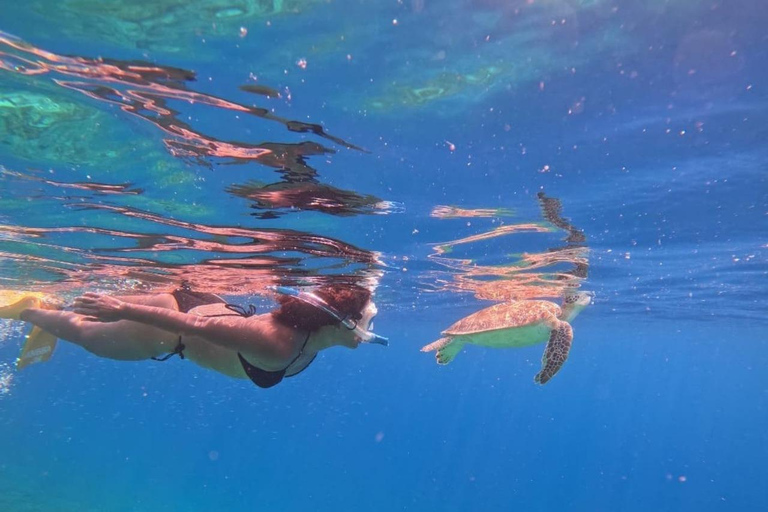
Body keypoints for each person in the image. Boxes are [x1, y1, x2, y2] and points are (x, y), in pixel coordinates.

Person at [0, 283, 382, 388]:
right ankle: (29, 310)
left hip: (198, 305)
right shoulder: (276, 343)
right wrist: (123, 311)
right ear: (340, 322)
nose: (370, 329)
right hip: (169, 327)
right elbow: (196, 327)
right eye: (368, 319)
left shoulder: (311, 335)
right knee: (87, 335)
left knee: (85, 313)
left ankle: (48, 308)